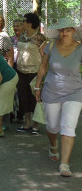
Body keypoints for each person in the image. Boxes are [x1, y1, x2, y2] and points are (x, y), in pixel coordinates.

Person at [34, 18, 82, 177]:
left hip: (74, 92)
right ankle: (52, 145)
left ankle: (64, 163)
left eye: (68, 30)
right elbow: (42, 66)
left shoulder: (80, 48)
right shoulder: (51, 45)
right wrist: (37, 86)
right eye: (62, 30)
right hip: (51, 90)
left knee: (68, 126)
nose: (64, 33)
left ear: (73, 31)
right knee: (52, 127)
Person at [15, 13, 47, 134]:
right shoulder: (22, 36)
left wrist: (43, 74)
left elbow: (44, 56)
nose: (22, 23)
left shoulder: (40, 38)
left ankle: (36, 124)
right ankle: (27, 123)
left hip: (35, 71)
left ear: (30, 23)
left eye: (24, 21)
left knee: (35, 98)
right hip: (21, 70)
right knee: (24, 98)